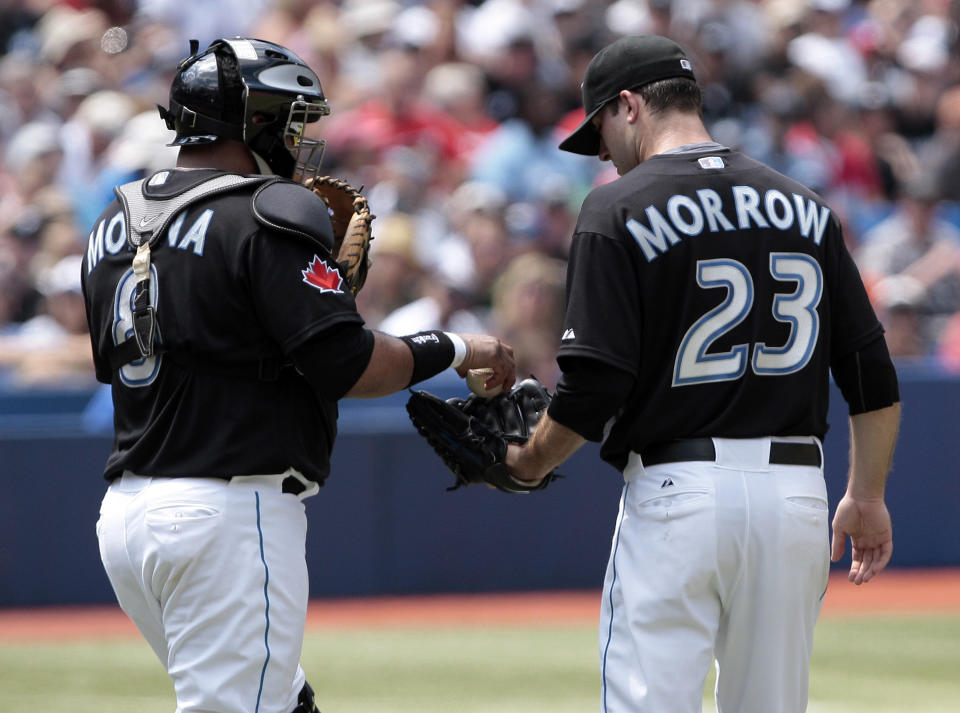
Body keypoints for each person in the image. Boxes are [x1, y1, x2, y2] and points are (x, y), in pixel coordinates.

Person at [80, 38, 515, 713]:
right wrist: (456, 347)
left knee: (283, 701)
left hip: (129, 515)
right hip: (225, 510)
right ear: (252, 120)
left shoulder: (114, 221)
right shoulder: (266, 212)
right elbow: (350, 364)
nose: (298, 136)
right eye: (289, 117)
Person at [506, 35, 901, 713]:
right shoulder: (806, 207)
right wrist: (866, 493)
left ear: (627, 105)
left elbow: (596, 384)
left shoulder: (615, 207)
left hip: (676, 491)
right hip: (796, 497)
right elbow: (871, 371)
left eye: (599, 127)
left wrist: (529, 461)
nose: (602, 152)